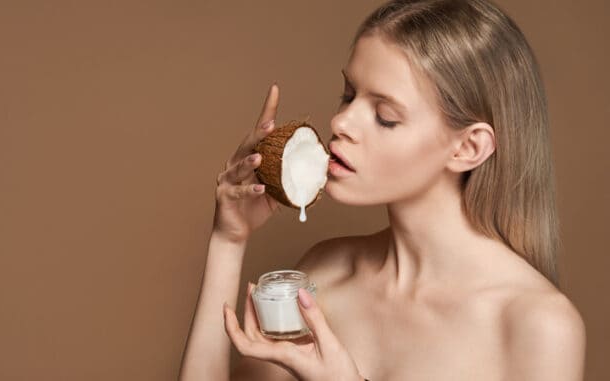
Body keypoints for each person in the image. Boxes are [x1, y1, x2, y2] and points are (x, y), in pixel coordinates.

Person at [178, 0, 586, 379]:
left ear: (468, 147)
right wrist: (228, 241)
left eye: (385, 116)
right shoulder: (325, 273)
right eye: (349, 95)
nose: (341, 123)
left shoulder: (538, 325)